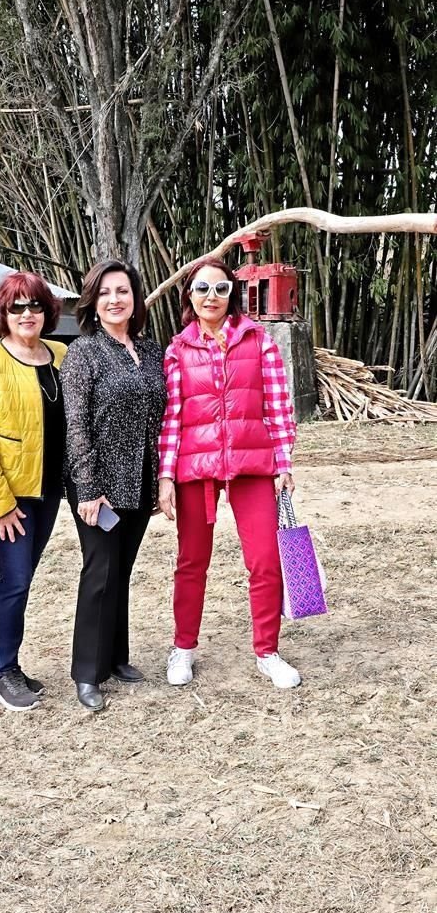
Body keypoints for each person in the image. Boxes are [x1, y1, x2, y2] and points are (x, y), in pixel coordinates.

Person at [158, 256, 301, 690]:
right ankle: (183, 647)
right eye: (202, 289)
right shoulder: (178, 349)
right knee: (192, 561)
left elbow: (278, 406)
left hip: (252, 465)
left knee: (264, 560)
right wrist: (166, 476)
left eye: (220, 289)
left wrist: (283, 462)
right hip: (196, 468)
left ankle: (268, 650)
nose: (211, 297)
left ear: (232, 294)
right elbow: (172, 418)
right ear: (189, 295)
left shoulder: (259, 341)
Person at [61, 260, 166, 711]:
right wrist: (87, 488)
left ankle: (116, 657)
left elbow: (163, 417)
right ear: (93, 301)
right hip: (99, 484)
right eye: (105, 293)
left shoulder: (152, 350)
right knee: (99, 572)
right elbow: (77, 425)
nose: (115, 300)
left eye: (123, 291)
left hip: (140, 479)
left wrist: (162, 477)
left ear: (135, 298)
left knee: (122, 569)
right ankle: (88, 671)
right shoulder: (84, 352)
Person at [0, 272, 67, 713]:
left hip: (50, 489)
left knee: (24, 577)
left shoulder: (62, 354)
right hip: (11, 494)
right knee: (16, 578)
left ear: (47, 312)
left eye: (35, 305)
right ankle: (4, 670)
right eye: (17, 306)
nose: (27, 314)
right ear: (2, 313)